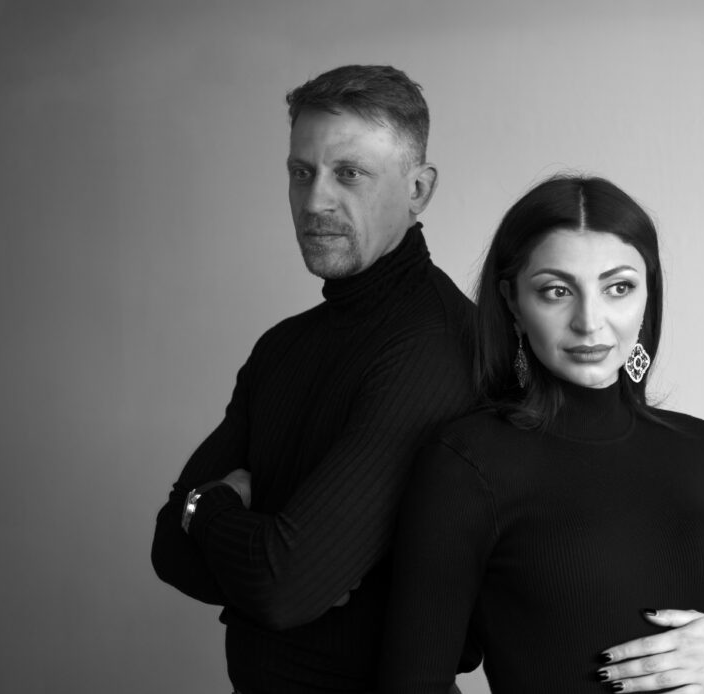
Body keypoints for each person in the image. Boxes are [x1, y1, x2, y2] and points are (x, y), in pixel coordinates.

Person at [379, 175, 704, 693]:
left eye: (619, 287)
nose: (590, 322)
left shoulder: (696, 444)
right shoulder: (466, 461)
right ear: (512, 302)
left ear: (647, 295)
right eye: (557, 290)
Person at [151, 65, 476, 693]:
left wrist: (207, 507)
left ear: (419, 190)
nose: (315, 200)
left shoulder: (434, 346)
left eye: (349, 173)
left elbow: (282, 586)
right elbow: (168, 550)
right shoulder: (283, 345)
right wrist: (252, 545)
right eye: (302, 172)